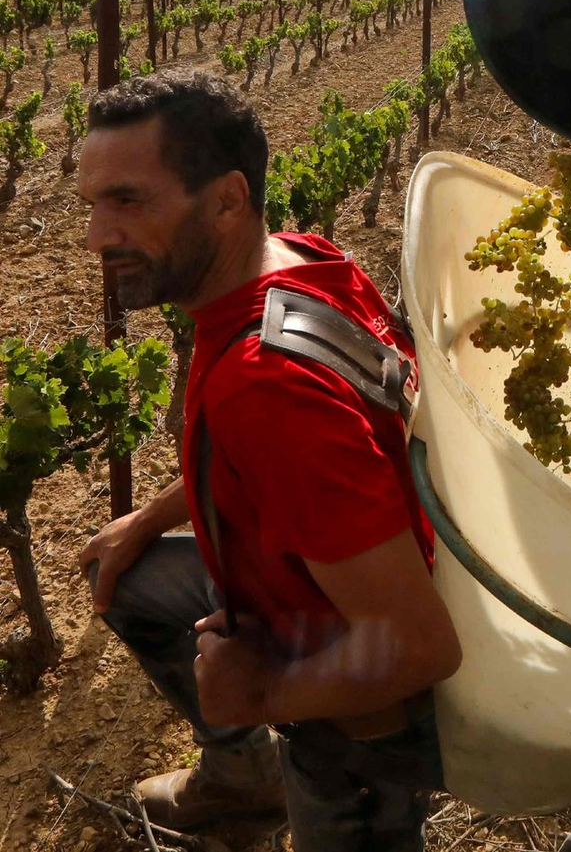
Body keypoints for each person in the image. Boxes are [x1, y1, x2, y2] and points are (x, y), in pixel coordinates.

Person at [76, 74, 462, 852]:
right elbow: (286, 458)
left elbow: (420, 647)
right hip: (318, 575)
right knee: (128, 577)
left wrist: (261, 690)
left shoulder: (267, 387)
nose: (95, 235)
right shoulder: (303, 259)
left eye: (128, 201)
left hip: (361, 719)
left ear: (226, 199)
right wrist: (147, 518)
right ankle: (243, 779)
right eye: (91, 203)